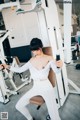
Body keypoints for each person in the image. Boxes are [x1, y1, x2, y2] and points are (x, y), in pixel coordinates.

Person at [0, 38, 63, 120]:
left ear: (39, 49)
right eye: (32, 50)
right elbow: (19, 70)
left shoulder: (49, 58)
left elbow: (57, 71)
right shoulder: (31, 60)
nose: (33, 52)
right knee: (18, 106)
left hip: (47, 87)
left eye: (34, 50)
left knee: (55, 116)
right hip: (36, 87)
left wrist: (60, 66)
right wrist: (7, 66)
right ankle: (30, 118)